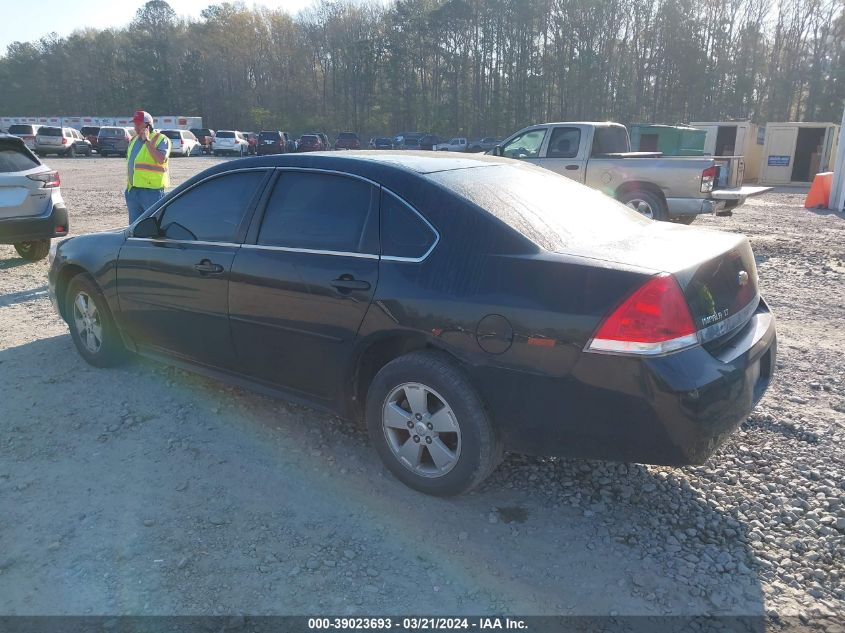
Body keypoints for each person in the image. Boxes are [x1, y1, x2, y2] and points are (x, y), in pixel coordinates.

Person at [124, 110, 171, 224]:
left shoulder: (161, 139)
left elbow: (160, 159)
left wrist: (146, 140)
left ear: (147, 125)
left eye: (138, 124)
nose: (135, 127)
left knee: (154, 226)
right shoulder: (134, 140)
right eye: (134, 123)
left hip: (152, 192)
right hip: (133, 191)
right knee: (135, 228)